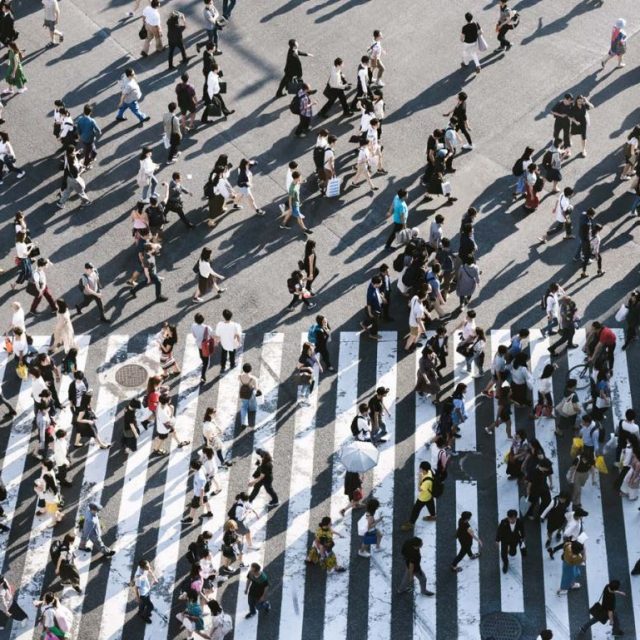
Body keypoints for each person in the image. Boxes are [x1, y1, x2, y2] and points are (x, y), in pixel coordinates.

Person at [400, 461, 436, 530]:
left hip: (423, 497)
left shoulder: (427, 482)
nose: (420, 469)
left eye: (421, 468)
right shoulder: (430, 472)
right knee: (430, 505)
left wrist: (419, 479)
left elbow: (420, 489)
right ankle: (433, 516)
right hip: (429, 495)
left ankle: (411, 524)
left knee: (415, 510)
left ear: (424, 470)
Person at [181, 459, 213, 524]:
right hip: (203, 492)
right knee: (206, 501)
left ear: (194, 467)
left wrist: (200, 500)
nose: (190, 467)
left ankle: (190, 519)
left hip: (198, 495)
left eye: (191, 466)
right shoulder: (201, 468)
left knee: (193, 507)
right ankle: (210, 513)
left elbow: (201, 489)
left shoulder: (200, 477)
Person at [495, 509, 525, 573]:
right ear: (508, 518)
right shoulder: (504, 522)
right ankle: (506, 564)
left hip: (514, 539)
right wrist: (497, 540)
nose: (512, 520)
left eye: (514, 518)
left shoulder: (519, 522)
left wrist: (522, 537)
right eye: (510, 519)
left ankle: (510, 550)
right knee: (503, 553)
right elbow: (499, 531)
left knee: (513, 553)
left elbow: (522, 530)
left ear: (516, 518)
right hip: (505, 539)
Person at [75, 104, 101, 169]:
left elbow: (78, 128)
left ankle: (92, 155)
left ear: (83, 111)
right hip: (90, 139)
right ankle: (86, 164)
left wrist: (79, 135)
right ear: (91, 112)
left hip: (82, 137)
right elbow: (98, 130)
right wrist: (99, 132)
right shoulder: (92, 121)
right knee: (88, 152)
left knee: (90, 148)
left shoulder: (80, 119)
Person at [191, 313, 214, 383]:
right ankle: (203, 375)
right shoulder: (207, 327)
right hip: (206, 346)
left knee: (201, 355)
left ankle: (203, 361)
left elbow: (194, 335)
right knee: (206, 362)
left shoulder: (193, 326)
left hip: (199, 345)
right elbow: (212, 335)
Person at [133, 559, 157, 623]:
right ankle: (144, 616)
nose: (149, 567)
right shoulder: (139, 577)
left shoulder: (143, 568)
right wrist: (138, 598)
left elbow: (149, 570)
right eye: (147, 566)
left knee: (143, 604)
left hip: (146, 590)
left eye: (148, 565)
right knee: (150, 607)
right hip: (143, 594)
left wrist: (154, 577)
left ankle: (140, 612)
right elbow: (136, 588)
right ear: (142, 567)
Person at [238, 363, 259, 429]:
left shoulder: (239, 376)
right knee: (253, 403)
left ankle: (244, 422)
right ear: (250, 370)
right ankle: (252, 410)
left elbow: (240, 382)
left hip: (243, 392)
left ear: (243, 369)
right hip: (251, 393)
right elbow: (256, 388)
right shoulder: (253, 379)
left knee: (244, 406)